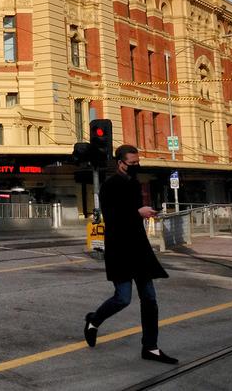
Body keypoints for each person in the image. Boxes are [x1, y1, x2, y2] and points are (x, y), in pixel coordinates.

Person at [84, 144, 178, 364]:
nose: (136, 166)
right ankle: (94, 320)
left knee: (150, 299)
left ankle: (151, 346)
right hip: (119, 249)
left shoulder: (135, 184)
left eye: (138, 162)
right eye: (132, 163)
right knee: (122, 298)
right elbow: (112, 217)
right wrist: (138, 212)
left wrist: (145, 213)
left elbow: (132, 215)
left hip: (139, 248)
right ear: (120, 163)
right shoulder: (109, 186)